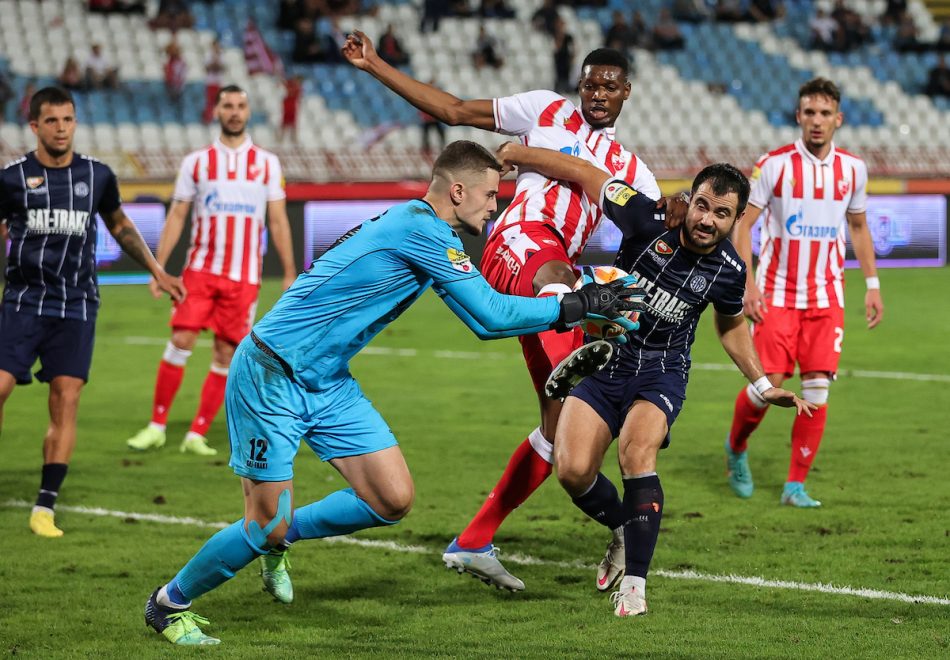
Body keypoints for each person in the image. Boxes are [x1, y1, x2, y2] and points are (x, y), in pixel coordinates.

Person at [140, 140, 643, 645]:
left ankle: (282, 537)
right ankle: (168, 603)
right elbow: (492, 317)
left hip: (327, 380)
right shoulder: (420, 231)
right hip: (272, 374)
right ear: (458, 190)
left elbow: (481, 321)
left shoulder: (424, 229)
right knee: (262, 523)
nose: (496, 206)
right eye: (491, 195)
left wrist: (578, 305)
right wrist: (578, 305)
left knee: (390, 498)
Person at [343, 32, 686, 591]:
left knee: (559, 436)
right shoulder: (543, 109)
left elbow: (657, 220)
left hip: (553, 278)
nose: (598, 94)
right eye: (590, 85)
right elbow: (455, 109)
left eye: (609, 86)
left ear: (626, 92)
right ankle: (584, 366)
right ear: (578, 87)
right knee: (563, 282)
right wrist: (375, 64)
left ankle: (475, 540)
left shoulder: (632, 170)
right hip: (521, 245)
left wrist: (680, 204)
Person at [494, 142, 815, 615]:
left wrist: (763, 385)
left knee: (636, 452)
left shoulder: (730, 270)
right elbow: (586, 172)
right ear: (691, 197)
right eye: (702, 205)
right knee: (573, 470)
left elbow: (731, 326)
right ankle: (625, 530)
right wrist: (520, 153)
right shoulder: (647, 219)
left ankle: (635, 587)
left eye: (721, 214)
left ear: (737, 219)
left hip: (661, 372)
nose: (706, 220)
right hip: (604, 359)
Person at [0, 86, 184, 538]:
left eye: (68, 119)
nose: (61, 128)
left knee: (65, 400)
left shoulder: (96, 176)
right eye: (52, 121)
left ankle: (45, 506)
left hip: (76, 305)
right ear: (35, 126)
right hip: (23, 302)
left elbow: (119, 225)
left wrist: (158, 270)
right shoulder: (12, 179)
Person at [724, 78, 883, 507]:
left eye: (825, 113)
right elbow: (744, 225)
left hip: (826, 297)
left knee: (817, 390)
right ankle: (736, 447)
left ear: (838, 119)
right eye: (809, 112)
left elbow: (858, 227)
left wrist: (872, 285)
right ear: (798, 116)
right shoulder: (773, 165)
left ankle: (795, 485)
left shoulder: (853, 169)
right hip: (776, 295)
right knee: (768, 385)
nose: (817, 120)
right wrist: (748, 284)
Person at [125, 86, 297, 456]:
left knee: (225, 354)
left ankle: (197, 433)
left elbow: (279, 221)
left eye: (240, 106)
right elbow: (177, 215)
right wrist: (158, 268)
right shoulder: (197, 162)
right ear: (217, 111)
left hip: (244, 277)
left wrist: (289, 272)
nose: (234, 112)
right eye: (227, 105)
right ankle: (156, 425)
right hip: (200, 271)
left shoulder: (268, 163)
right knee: (181, 340)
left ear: (248, 112)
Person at [202, 39, 225, 124]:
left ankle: (218, 119)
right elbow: (208, 68)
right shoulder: (208, 55)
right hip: (210, 82)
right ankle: (208, 119)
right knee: (210, 102)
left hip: (218, 82)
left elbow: (221, 67)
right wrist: (215, 62)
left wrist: (216, 63)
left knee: (219, 102)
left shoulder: (221, 55)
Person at [278, 75, 303, 143]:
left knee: (293, 123)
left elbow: (296, 95)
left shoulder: (298, 88)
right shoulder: (291, 84)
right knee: (285, 122)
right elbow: (283, 83)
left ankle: (294, 138)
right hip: (288, 104)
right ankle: (281, 138)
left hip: (292, 105)